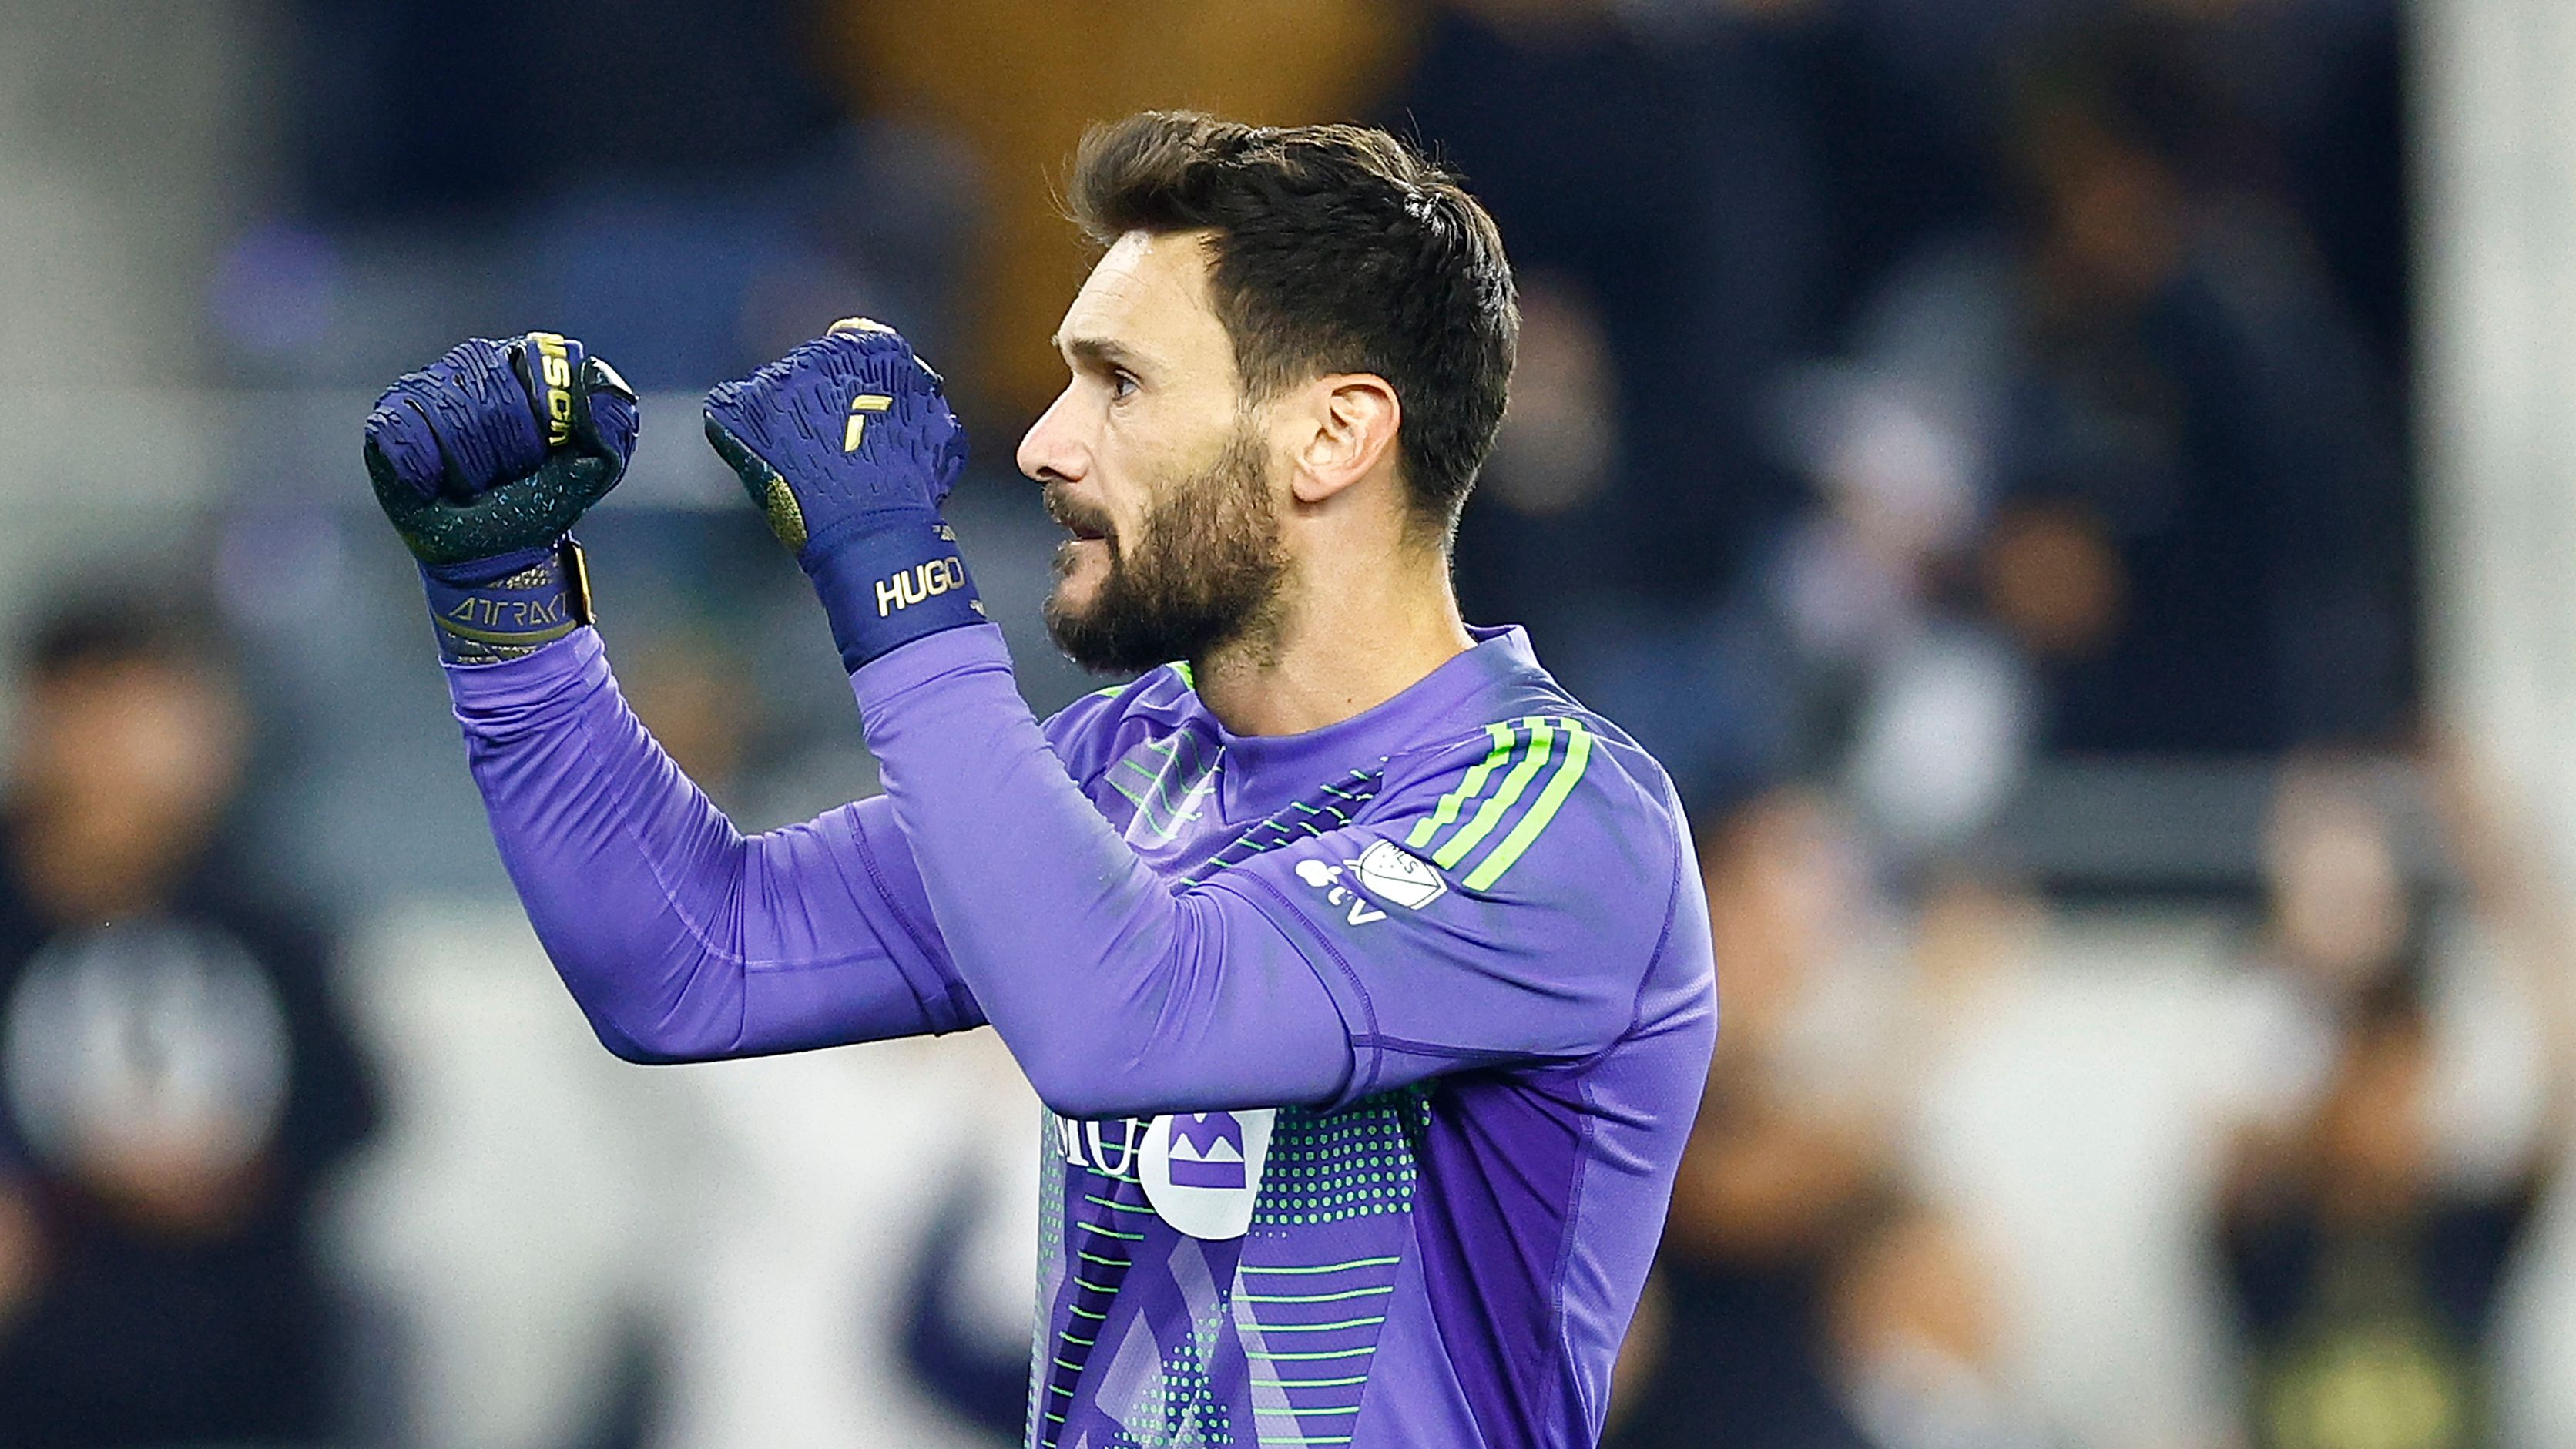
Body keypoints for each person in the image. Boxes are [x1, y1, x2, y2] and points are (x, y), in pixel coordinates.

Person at [358, 113, 1718, 1448]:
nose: (1044, 444)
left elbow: (1128, 1022)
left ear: (1331, 435)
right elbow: (693, 960)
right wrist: (511, 617)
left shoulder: (1557, 819)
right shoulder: (1128, 760)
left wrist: (894, 571)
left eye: (1118, 382)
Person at [0, 601, 379, 1445]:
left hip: (235, 1381)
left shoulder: (260, 916)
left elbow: (351, 1111)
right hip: (40, 1383)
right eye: (120, 713)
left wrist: (234, 1168)